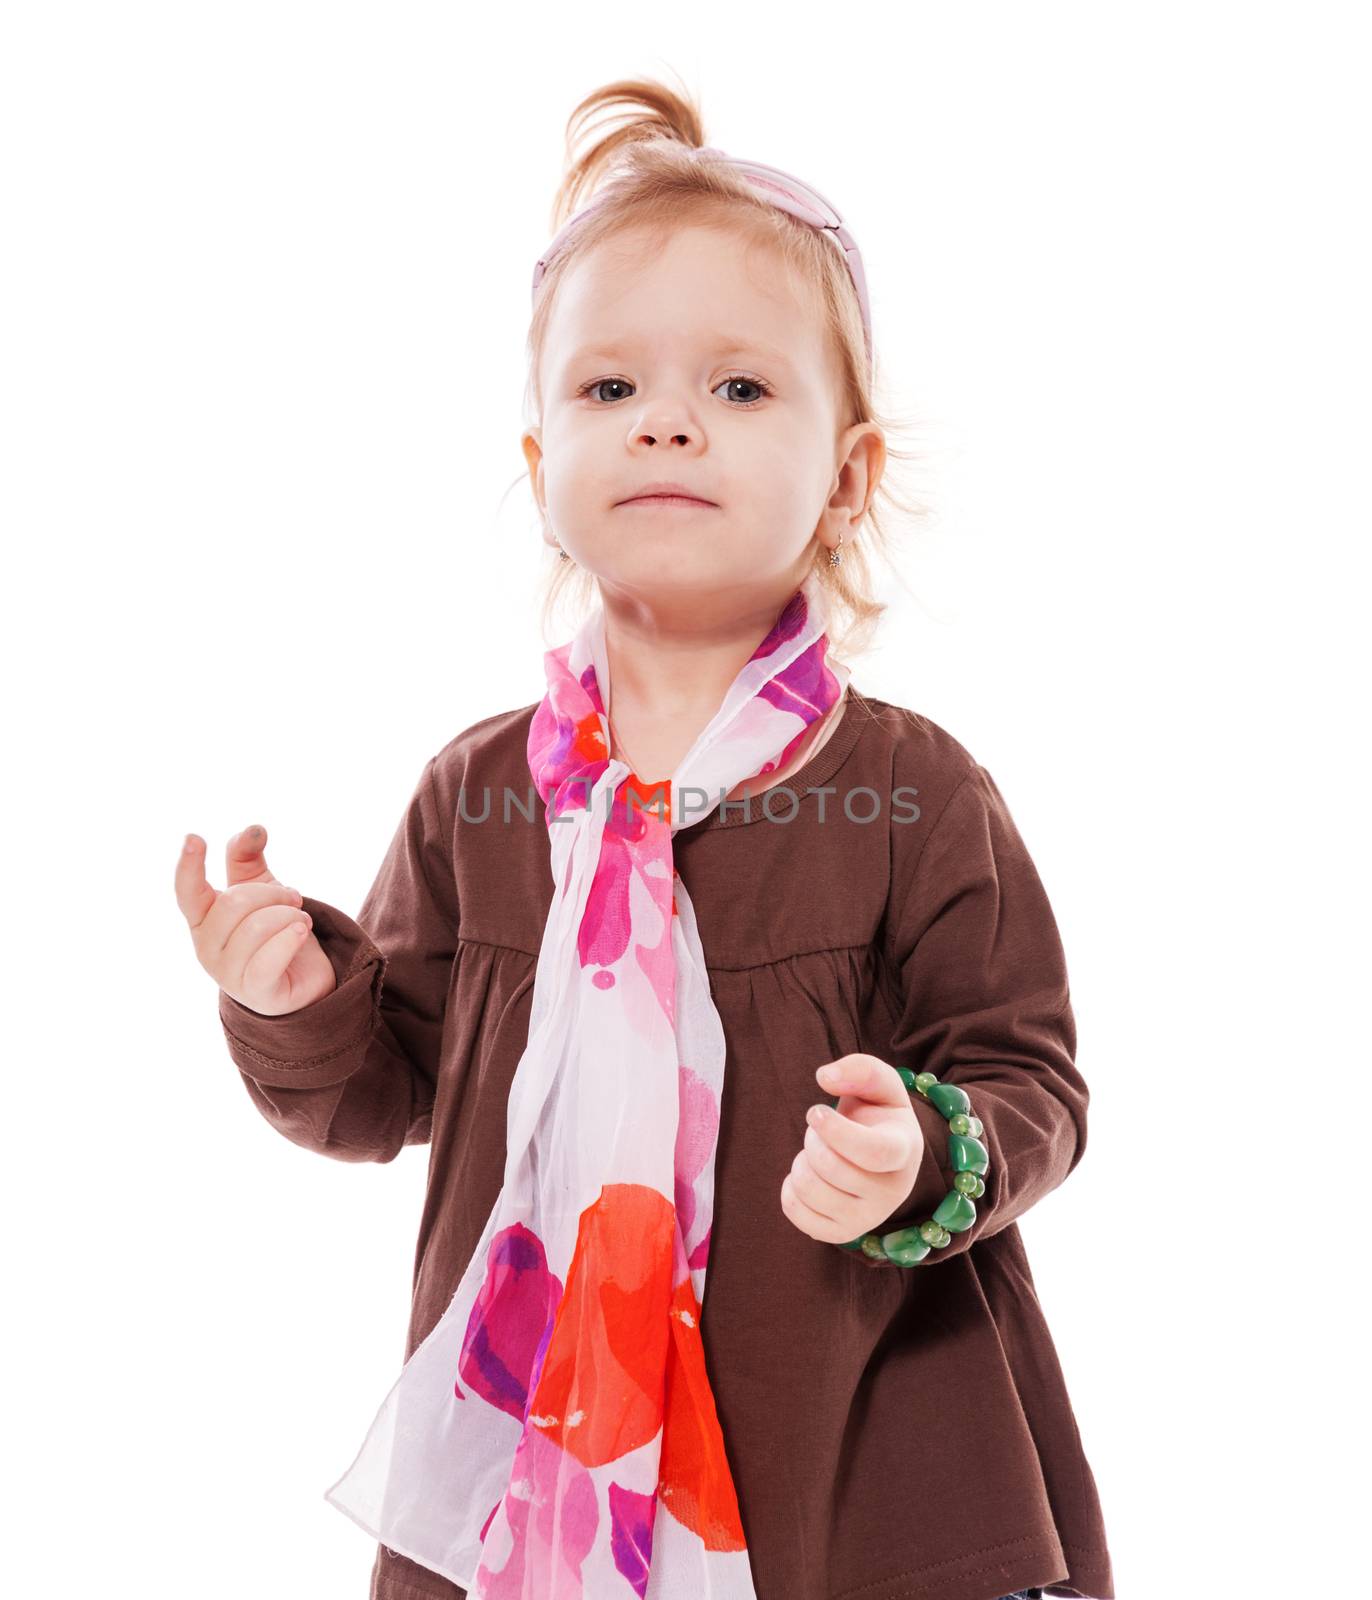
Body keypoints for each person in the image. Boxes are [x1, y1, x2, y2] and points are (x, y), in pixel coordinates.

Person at [176, 77, 1114, 1600]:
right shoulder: (482, 800)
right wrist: (292, 1004)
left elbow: (1033, 1081)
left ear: (848, 477)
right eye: (610, 389)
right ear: (548, 474)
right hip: (540, 1484)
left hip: (854, 1472)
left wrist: (921, 1149)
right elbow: (381, 1096)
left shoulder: (914, 796)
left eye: (741, 388)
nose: (669, 417)